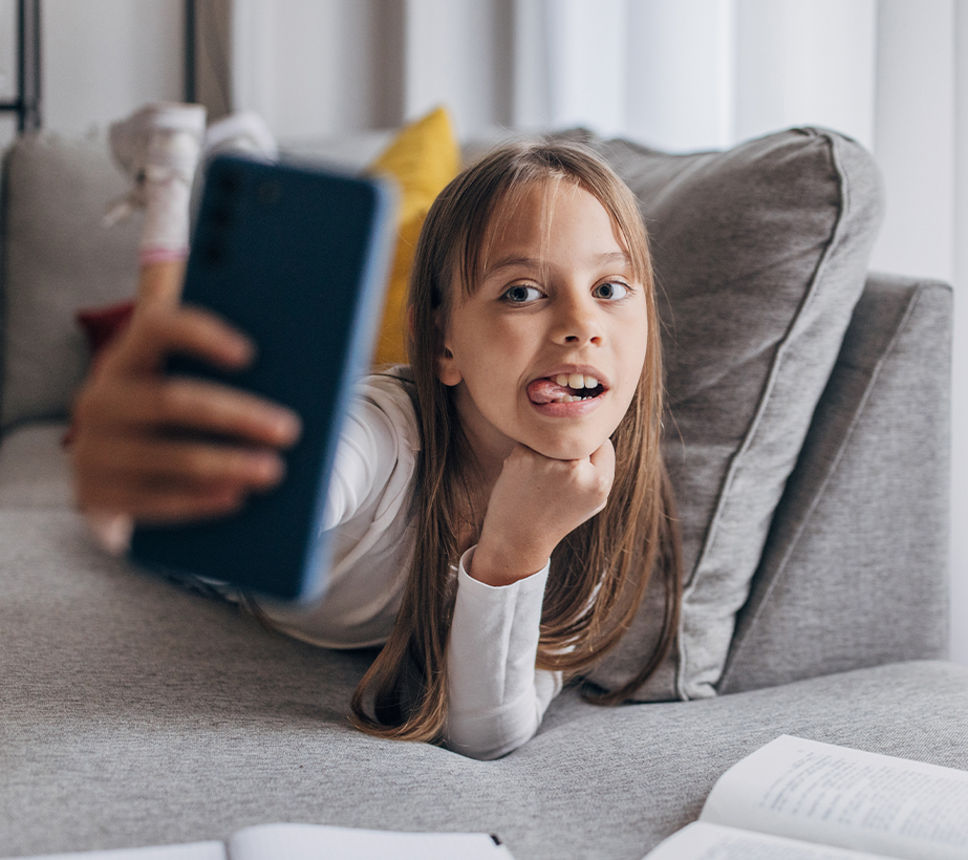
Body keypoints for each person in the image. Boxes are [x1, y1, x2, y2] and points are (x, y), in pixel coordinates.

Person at [70, 107, 683, 759]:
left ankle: (252, 154)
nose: (581, 323)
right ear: (441, 343)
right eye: (523, 292)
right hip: (229, 584)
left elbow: (488, 731)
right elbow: (297, 481)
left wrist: (519, 547)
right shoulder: (381, 436)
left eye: (611, 287)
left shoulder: (589, 499)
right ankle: (170, 178)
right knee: (181, 338)